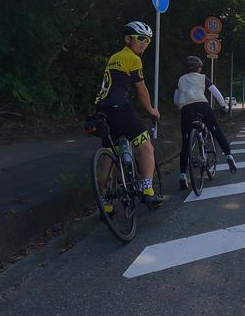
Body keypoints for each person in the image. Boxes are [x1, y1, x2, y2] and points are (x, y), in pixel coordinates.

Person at [94, 21, 163, 207]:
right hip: (120, 108)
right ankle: (148, 190)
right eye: (140, 39)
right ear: (127, 39)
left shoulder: (114, 57)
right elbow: (141, 89)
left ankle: (105, 202)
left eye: (148, 41)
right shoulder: (133, 59)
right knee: (146, 146)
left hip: (102, 109)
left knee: (109, 155)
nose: (144, 43)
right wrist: (151, 110)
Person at [174, 56, 237, 189]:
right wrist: (223, 107)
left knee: (185, 144)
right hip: (203, 106)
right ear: (199, 68)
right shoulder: (203, 78)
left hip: (186, 109)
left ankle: (182, 176)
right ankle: (229, 156)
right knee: (217, 132)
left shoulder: (180, 79)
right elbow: (217, 94)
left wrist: (183, 104)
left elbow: (175, 100)